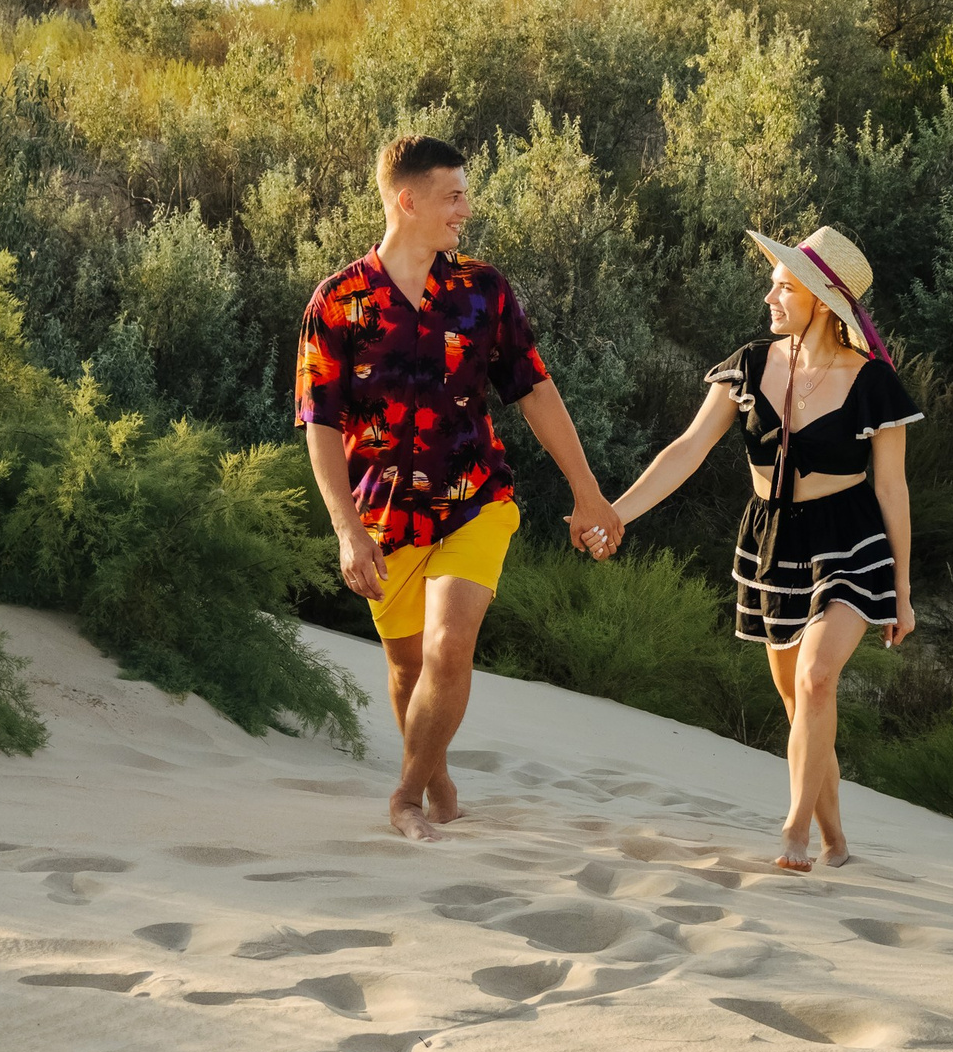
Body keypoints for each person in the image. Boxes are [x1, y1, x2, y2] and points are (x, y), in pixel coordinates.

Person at [296, 135, 624, 842]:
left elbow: (533, 389)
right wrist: (347, 530)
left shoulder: (482, 290)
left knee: (449, 647)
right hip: (382, 513)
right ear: (407, 201)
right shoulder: (339, 302)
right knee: (407, 666)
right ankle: (437, 782)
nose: (465, 210)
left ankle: (406, 797)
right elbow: (319, 425)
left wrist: (587, 492)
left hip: (476, 497)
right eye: (453, 195)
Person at [598, 227, 919, 871]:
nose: (769, 294)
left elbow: (891, 488)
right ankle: (836, 841)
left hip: (851, 542)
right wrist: (617, 513)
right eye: (773, 281)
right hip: (775, 539)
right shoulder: (749, 365)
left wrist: (902, 595)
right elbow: (687, 450)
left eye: (784, 285)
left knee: (817, 677)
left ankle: (794, 830)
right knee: (800, 701)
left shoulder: (874, 384)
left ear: (823, 300)